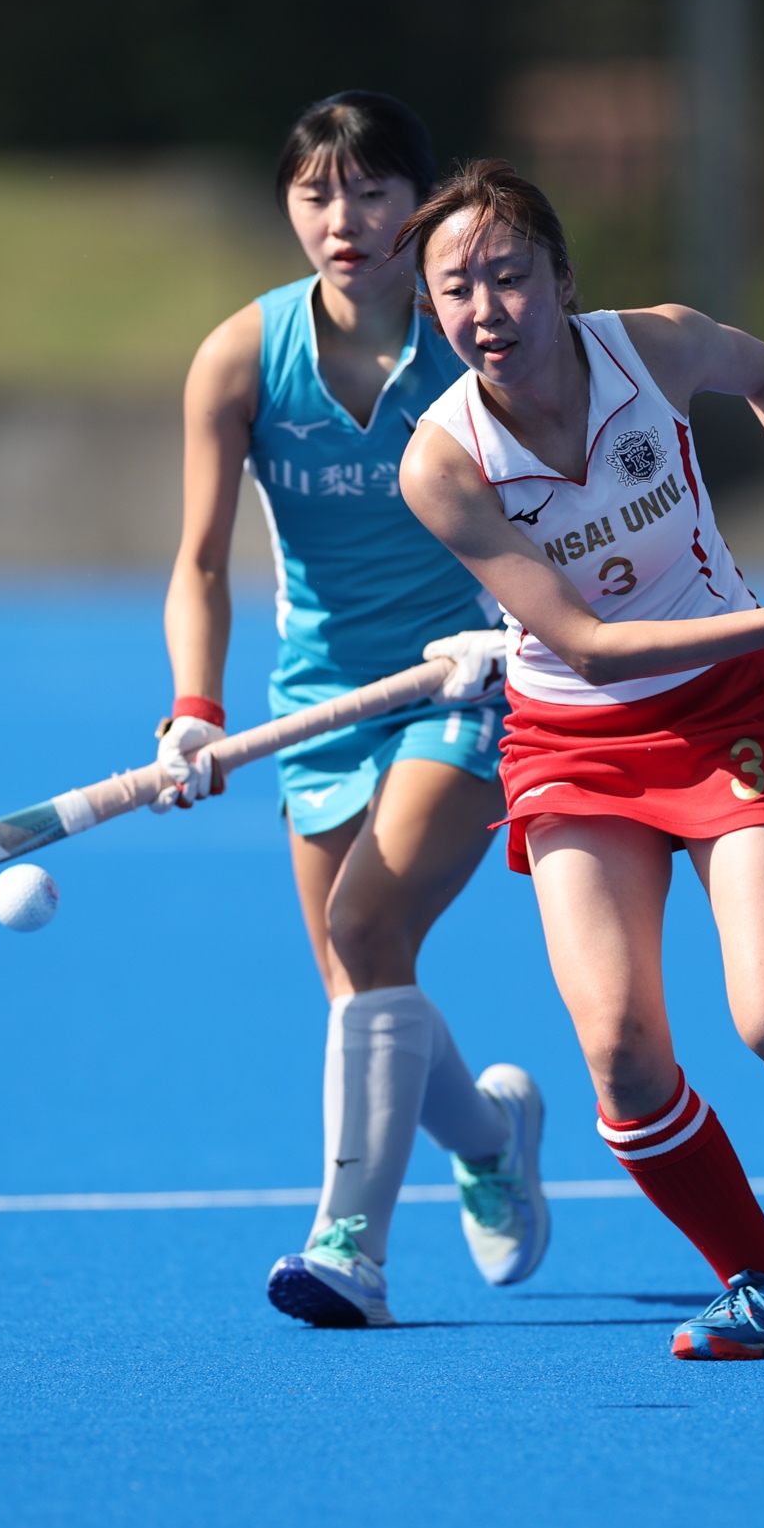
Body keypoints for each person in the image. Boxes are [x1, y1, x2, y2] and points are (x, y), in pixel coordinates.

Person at [396, 161, 764, 1361]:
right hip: (571, 738)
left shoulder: (658, 349)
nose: (486, 310)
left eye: (508, 277)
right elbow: (586, 644)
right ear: (430, 311)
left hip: (726, 711)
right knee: (622, 1055)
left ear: (563, 279)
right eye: (456, 291)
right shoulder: (443, 462)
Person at [158, 96, 546, 1329]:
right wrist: (193, 710)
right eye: (317, 194)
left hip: (469, 681)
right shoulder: (241, 358)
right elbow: (201, 562)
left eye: (375, 193)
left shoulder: (476, 338)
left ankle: (351, 1253)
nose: (346, 221)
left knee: (365, 925)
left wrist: (519, 631)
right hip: (320, 699)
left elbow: (564, 496)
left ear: (419, 204)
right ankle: (493, 1140)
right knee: (362, 978)